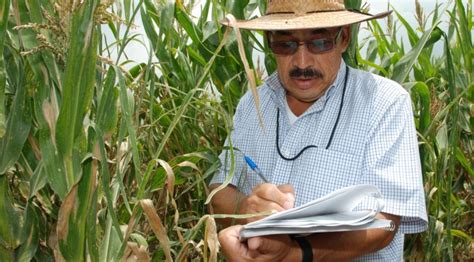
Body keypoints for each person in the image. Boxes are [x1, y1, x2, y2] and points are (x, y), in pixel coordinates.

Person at [209, 0, 428, 261]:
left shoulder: (383, 103)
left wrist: (295, 254)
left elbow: (386, 224)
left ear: (343, 37)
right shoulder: (253, 103)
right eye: (286, 44)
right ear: (270, 41)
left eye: (320, 42)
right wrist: (246, 207)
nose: (302, 62)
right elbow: (218, 189)